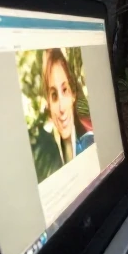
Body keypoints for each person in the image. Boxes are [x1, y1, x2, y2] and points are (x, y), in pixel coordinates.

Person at [31, 48, 95, 182]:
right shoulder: (42, 158)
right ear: (48, 104)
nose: (61, 107)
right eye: (54, 95)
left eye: (65, 90)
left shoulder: (91, 141)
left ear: (73, 94)